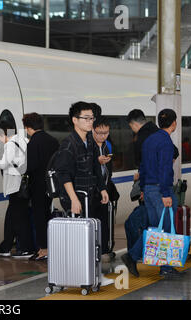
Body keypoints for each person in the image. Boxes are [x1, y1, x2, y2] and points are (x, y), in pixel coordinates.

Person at [121, 109, 184, 278]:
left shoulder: (148, 140)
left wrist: (142, 188)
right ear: (174, 123)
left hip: (148, 190)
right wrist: (165, 194)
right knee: (166, 228)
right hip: (160, 190)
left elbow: (142, 167)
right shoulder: (165, 142)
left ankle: (141, 259)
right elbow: (165, 169)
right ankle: (156, 264)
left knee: (156, 229)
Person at [56, 102, 111, 285]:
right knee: (79, 241)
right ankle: (79, 276)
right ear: (74, 120)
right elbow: (63, 174)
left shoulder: (90, 142)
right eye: (86, 118)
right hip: (76, 198)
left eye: (91, 118)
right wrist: (73, 199)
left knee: (92, 238)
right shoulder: (68, 144)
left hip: (90, 196)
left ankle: (92, 275)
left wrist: (102, 188)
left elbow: (96, 167)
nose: (90, 122)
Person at [0, 120, 35, 259]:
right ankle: (6, 246)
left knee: (19, 218)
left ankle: (26, 249)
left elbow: (3, 163)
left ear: (3, 134)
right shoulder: (24, 139)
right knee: (13, 217)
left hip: (15, 186)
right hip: (23, 185)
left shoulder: (10, 144)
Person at [23, 113, 59, 261]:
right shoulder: (53, 140)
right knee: (48, 215)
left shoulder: (33, 143)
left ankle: (43, 249)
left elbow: (30, 166)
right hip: (51, 185)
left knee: (39, 217)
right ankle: (50, 246)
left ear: (28, 127)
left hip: (37, 185)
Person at [91, 116, 117, 261]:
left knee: (104, 221)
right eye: (99, 132)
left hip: (104, 189)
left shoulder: (107, 145)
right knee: (92, 221)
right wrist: (96, 161)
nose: (102, 136)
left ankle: (104, 250)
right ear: (92, 130)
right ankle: (92, 251)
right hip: (91, 191)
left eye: (106, 132)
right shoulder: (88, 146)